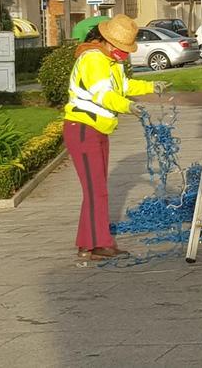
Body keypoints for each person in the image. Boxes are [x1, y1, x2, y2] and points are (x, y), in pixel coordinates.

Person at [62, 15, 168, 260]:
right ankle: (99, 244)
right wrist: (128, 107)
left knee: (95, 189)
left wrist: (152, 87)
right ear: (109, 42)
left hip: (96, 129)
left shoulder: (110, 61)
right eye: (123, 49)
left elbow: (124, 86)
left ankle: (87, 244)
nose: (125, 54)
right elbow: (103, 95)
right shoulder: (94, 60)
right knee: (96, 190)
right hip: (83, 128)